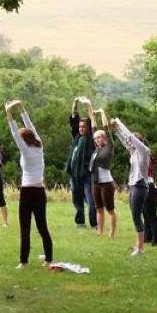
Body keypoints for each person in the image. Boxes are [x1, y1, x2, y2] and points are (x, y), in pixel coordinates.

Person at [5, 99, 53, 269]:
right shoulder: (39, 146)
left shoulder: (25, 149)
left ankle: (23, 262)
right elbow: (30, 126)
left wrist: (8, 111)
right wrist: (21, 107)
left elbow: (14, 133)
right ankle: (48, 259)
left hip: (27, 192)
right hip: (40, 192)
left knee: (25, 228)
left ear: (24, 140)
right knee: (42, 227)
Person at [112, 117, 151, 256]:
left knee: (136, 216)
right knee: (135, 216)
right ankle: (138, 246)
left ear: (138, 141)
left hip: (140, 186)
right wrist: (116, 130)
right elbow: (125, 140)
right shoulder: (134, 152)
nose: (130, 144)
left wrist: (120, 123)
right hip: (134, 185)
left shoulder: (143, 151)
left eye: (132, 142)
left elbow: (129, 136)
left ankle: (140, 249)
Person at [66, 97, 97, 228]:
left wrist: (89, 105)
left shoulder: (92, 139)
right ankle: (80, 222)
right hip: (75, 174)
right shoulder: (77, 137)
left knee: (91, 200)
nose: (81, 128)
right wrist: (75, 103)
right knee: (77, 199)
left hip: (87, 174)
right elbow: (73, 119)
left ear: (88, 128)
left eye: (84, 127)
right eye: (80, 126)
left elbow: (94, 122)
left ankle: (94, 223)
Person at [90, 108, 117, 238]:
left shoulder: (109, 146)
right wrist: (91, 110)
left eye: (99, 137)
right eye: (95, 138)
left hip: (107, 183)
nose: (96, 139)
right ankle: (100, 231)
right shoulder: (97, 149)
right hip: (96, 182)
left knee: (110, 209)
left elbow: (105, 128)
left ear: (104, 138)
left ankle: (111, 233)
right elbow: (93, 127)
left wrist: (101, 113)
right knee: (98, 208)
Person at [143, 152, 157, 247]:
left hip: (150, 189)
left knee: (151, 216)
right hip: (146, 188)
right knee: (146, 216)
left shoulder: (145, 156)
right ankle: (148, 236)